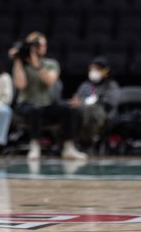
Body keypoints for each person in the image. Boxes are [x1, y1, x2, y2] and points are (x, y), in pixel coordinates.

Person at [11, 32, 87, 161]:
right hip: (26, 105)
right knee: (35, 109)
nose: (42, 47)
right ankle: (34, 146)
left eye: (43, 45)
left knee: (67, 109)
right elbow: (21, 85)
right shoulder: (22, 65)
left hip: (47, 103)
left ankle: (69, 147)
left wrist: (36, 65)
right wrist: (18, 60)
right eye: (38, 45)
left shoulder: (51, 63)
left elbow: (50, 81)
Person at [69, 57, 120, 148]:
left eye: (96, 69)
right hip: (82, 114)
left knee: (90, 109)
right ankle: (69, 142)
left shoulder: (111, 85)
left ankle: (87, 141)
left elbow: (108, 105)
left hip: (103, 115)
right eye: (91, 69)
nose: (92, 72)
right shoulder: (85, 85)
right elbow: (76, 100)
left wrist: (82, 103)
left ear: (105, 71)